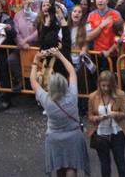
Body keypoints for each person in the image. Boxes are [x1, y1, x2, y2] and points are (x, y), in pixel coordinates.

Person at [31, 48, 89, 177]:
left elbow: (33, 82)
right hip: (73, 135)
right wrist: (60, 55)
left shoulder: (46, 100)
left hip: (54, 137)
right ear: (64, 84)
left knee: (59, 169)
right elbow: (72, 72)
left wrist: (35, 61)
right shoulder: (72, 96)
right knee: (72, 167)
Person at [88, 69, 125, 177]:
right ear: (99, 84)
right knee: (105, 165)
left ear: (113, 84)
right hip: (101, 135)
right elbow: (90, 117)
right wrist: (98, 118)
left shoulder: (120, 94)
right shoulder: (93, 97)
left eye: (108, 85)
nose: (106, 88)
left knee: (120, 162)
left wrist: (116, 114)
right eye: (103, 85)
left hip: (117, 133)